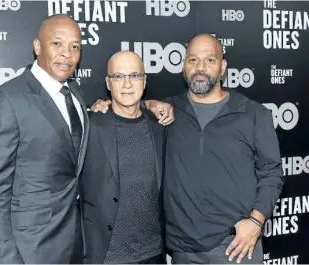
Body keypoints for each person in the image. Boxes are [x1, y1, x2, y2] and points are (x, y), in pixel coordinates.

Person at [91, 33, 285, 264]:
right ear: (183, 66)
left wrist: (256, 221)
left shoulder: (254, 114)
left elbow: (272, 174)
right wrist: (124, 104)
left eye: (209, 60)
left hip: (236, 246)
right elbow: (129, 101)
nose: (200, 67)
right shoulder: (167, 111)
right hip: (183, 251)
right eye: (193, 60)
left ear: (223, 67)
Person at [0, 15, 89, 264]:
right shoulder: (6, 100)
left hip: (76, 245)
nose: (67, 54)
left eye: (75, 46)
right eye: (57, 44)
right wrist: (4, 257)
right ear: (38, 46)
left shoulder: (76, 93)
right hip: (29, 249)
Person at [80, 51, 167, 264]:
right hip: (106, 257)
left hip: (153, 254)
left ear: (144, 81)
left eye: (135, 75)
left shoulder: (161, 127)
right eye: (118, 76)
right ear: (108, 84)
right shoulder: (89, 125)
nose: (127, 83)